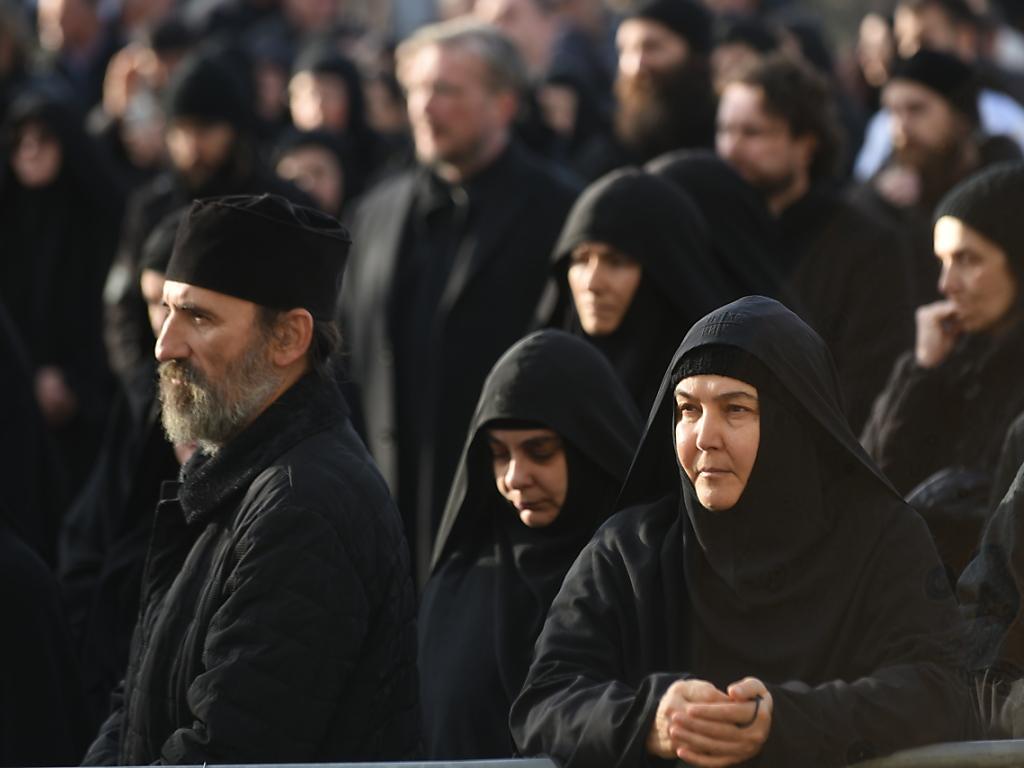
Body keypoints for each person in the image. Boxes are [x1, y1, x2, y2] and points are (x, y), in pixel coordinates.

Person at [510, 295, 977, 768]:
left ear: (793, 421)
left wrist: (784, 722)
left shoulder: (882, 540)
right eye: (688, 409)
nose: (704, 437)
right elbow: (546, 698)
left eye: (735, 409)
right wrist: (651, 720)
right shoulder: (627, 551)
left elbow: (940, 689)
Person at [82, 194, 419, 765]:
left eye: (199, 317)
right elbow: (136, 703)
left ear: (288, 338)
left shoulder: (306, 506)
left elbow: (230, 747)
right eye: (167, 310)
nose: (164, 346)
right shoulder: (233, 474)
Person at [340, 19, 578, 584]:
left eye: (446, 90)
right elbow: (344, 351)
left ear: (504, 103)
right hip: (381, 521)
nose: (425, 107)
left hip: (504, 527)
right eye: (417, 90)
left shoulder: (560, 211)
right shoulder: (374, 213)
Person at [419, 329, 642, 759]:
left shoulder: (640, 573)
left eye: (540, 451)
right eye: (499, 454)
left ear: (590, 446)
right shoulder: (462, 584)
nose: (515, 478)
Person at [716, 53, 915, 432]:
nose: (731, 149)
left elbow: (871, 378)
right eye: (724, 130)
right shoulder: (712, 230)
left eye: (752, 133)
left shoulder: (868, 244)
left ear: (806, 145)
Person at [103, 48, 312, 387]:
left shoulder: (280, 207)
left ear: (234, 129)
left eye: (205, 130)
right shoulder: (151, 208)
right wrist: (142, 388)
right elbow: (123, 306)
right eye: (182, 130)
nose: (192, 146)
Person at [863, 162, 1024, 578]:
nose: (946, 284)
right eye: (943, 261)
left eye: (967, 260)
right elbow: (873, 485)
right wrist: (921, 371)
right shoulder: (953, 357)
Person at [58, 209, 186, 729]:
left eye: (175, 307)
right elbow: (91, 533)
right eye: (152, 305)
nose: (162, 329)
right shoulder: (143, 399)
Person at [0, 87, 121, 492]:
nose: (30, 152)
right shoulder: (8, 219)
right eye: (20, 143)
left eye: (43, 140)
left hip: (90, 402)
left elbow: (105, 312)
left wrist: (73, 381)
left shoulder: (97, 219)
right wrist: (28, 376)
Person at [540, 167, 730, 412]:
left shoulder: (714, 400)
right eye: (581, 259)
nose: (592, 283)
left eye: (616, 261)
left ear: (662, 274)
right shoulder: (544, 383)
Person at [857, 48, 1021, 306]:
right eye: (892, 112)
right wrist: (877, 200)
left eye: (916, 110)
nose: (900, 128)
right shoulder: (882, 184)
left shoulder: (1008, 184)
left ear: (960, 115)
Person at [580, 0, 716, 179]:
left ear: (694, 54)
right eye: (626, 50)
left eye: (651, 47)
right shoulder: (607, 145)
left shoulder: (726, 135)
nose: (635, 67)